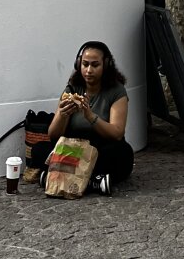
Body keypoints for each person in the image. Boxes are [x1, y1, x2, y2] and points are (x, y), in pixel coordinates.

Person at [30, 40, 134, 195]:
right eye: (85, 64)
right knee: (38, 150)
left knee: (123, 153)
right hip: (73, 149)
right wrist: (63, 115)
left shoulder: (116, 91)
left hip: (101, 147)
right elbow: (53, 135)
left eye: (95, 65)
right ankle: (94, 182)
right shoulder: (72, 88)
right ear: (78, 64)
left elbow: (117, 133)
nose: (89, 70)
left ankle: (57, 177)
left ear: (106, 65)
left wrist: (90, 116)